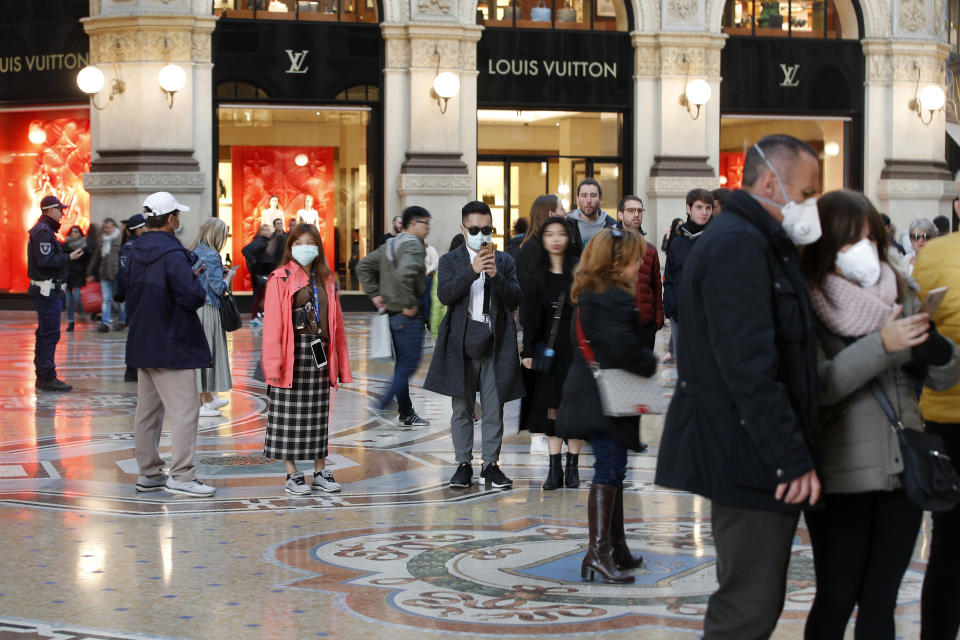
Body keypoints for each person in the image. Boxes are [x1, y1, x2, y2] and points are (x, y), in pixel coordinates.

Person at [655, 135, 823, 639]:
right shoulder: (738, 244)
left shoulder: (759, 241)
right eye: (809, 191)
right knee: (747, 607)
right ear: (772, 182)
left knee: (759, 598)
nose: (813, 202)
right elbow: (748, 366)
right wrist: (789, 457)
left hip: (754, 452)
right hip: (747, 454)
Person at [801, 190, 959, 640]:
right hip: (842, 472)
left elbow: (946, 377)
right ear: (827, 245)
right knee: (836, 596)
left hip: (902, 467)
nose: (865, 251)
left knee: (881, 601)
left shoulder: (900, 289)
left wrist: (934, 351)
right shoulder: (809, 301)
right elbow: (820, 385)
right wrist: (883, 345)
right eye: (851, 241)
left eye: (872, 238)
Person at [555, 228, 657, 583]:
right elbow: (623, 349)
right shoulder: (611, 297)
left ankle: (616, 548)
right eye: (634, 257)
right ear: (616, 263)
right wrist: (651, 362)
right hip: (604, 399)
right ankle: (600, 552)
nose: (638, 263)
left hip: (594, 395)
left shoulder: (590, 294)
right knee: (610, 469)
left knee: (613, 468)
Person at [425, 201, 523, 489]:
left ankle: (491, 464)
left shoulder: (503, 261)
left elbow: (515, 298)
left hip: (495, 344)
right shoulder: (450, 260)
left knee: (494, 408)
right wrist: (472, 270)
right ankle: (463, 463)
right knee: (462, 408)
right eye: (476, 229)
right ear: (463, 229)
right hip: (461, 343)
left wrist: (495, 276)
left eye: (487, 229)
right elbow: (445, 295)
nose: (482, 234)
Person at [127, 192, 216, 497]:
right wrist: (193, 277)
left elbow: (129, 294)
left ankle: (149, 472)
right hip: (171, 342)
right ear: (169, 219)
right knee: (186, 410)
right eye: (177, 214)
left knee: (148, 412)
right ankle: (182, 474)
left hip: (142, 341)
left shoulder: (135, 250)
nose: (180, 219)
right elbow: (192, 297)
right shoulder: (172, 255)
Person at [261, 224, 352, 495]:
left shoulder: (326, 279)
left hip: (318, 352)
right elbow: (274, 325)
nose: (304, 247)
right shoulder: (280, 277)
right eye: (298, 242)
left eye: (310, 242)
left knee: (317, 415)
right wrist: (274, 362)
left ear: (318, 246)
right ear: (290, 246)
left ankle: (320, 470)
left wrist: (341, 367)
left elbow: (337, 326)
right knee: (287, 416)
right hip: (291, 355)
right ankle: (292, 474)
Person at [914, 225, 960, 640]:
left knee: (949, 543)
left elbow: (917, 323)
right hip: (948, 415)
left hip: (948, 419)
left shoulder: (936, 254)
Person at [520, 216, 585, 490]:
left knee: (576, 408)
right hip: (548, 352)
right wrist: (527, 350)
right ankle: (554, 468)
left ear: (569, 237)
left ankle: (573, 467)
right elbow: (530, 317)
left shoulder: (581, 272)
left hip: (577, 351)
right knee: (551, 411)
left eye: (561, 234)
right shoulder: (537, 275)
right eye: (550, 234)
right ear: (543, 239)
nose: (556, 239)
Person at [357, 206, 432, 428]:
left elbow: (363, 267)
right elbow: (406, 273)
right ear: (414, 224)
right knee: (409, 365)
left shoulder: (391, 244)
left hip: (392, 316)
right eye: (425, 223)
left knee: (403, 366)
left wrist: (375, 294)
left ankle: (406, 412)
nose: (428, 228)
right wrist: (409, 303)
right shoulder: (413, 245)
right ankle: (381, 404)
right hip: (407, 316)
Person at [29, 195, 84, 392]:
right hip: (47, 290)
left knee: (46, 333)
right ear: (50, 210)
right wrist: (67, 257)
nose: (62, 213)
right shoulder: (43, 231)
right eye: (60, 209)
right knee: (49, 334)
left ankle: (44, 375)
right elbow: (45, 261)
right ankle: (47, 376)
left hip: (49, 290)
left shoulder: (45, 231)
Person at [189, 218, 238, 418]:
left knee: (202, 355)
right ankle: (205, 402)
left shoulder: (195, 251)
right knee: (209, 354)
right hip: (208, 309)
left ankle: (206, 397)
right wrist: (229, 277)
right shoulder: (211, 255)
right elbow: (218, 288)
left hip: (196, 309)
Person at [663, 188, 713, 364]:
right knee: (683, 368)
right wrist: (670, 305)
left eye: (708, 208)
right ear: (688, 208)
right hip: (679, 315)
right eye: (699, 207)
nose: (704, 212)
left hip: (708, 316)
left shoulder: (717, 238)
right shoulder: (677, 242)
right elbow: (669, 277)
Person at [616, 195, 663, 349]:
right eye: (631, 210)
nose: (636, 214)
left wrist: (658, 318)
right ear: (620, 214)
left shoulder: (650, 250)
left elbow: (656, 286)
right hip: (618, 323)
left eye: (639, 210)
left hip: (645, 324)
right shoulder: (609, 245)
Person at [88, 217, 123, 332]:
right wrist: (89, 271)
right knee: (106, 299)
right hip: (104, 274)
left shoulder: (121, 238)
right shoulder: (102, 239)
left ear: (113, 227)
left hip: (117, 273)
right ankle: (105, 323)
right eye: (105, 228)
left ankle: (122, 320)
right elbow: (96, 256)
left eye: (108, 227)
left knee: (119, 300)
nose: (106, 230)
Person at [566, 178, 616, 253]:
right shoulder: (567, 224)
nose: (588, 200)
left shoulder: (613, 226)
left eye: (593, 195)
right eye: (584, 195)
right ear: (577, 199)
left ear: (600, 199)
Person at [242, 224, 275, 326]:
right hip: (260, 274)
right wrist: (253, 261)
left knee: (260, 295)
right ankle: (256, 316)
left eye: (268, 229)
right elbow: (245, 250)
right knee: (259, 295)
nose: (267, 231)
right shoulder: (260, 241)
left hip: (262, 273)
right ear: (260, 231)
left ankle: (257, 316)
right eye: (264, 229)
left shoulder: (264, 241)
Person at [61, 225, 91, 332]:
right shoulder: (65, 246)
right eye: (72, 232)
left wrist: (88, 274)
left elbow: (88, 261)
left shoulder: (84, 247)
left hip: (79, 275)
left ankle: (81, 312)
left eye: (76, 232)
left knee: (77, 297)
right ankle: (71, 322)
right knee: (68, 301)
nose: (74, 234)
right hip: (68, 276)